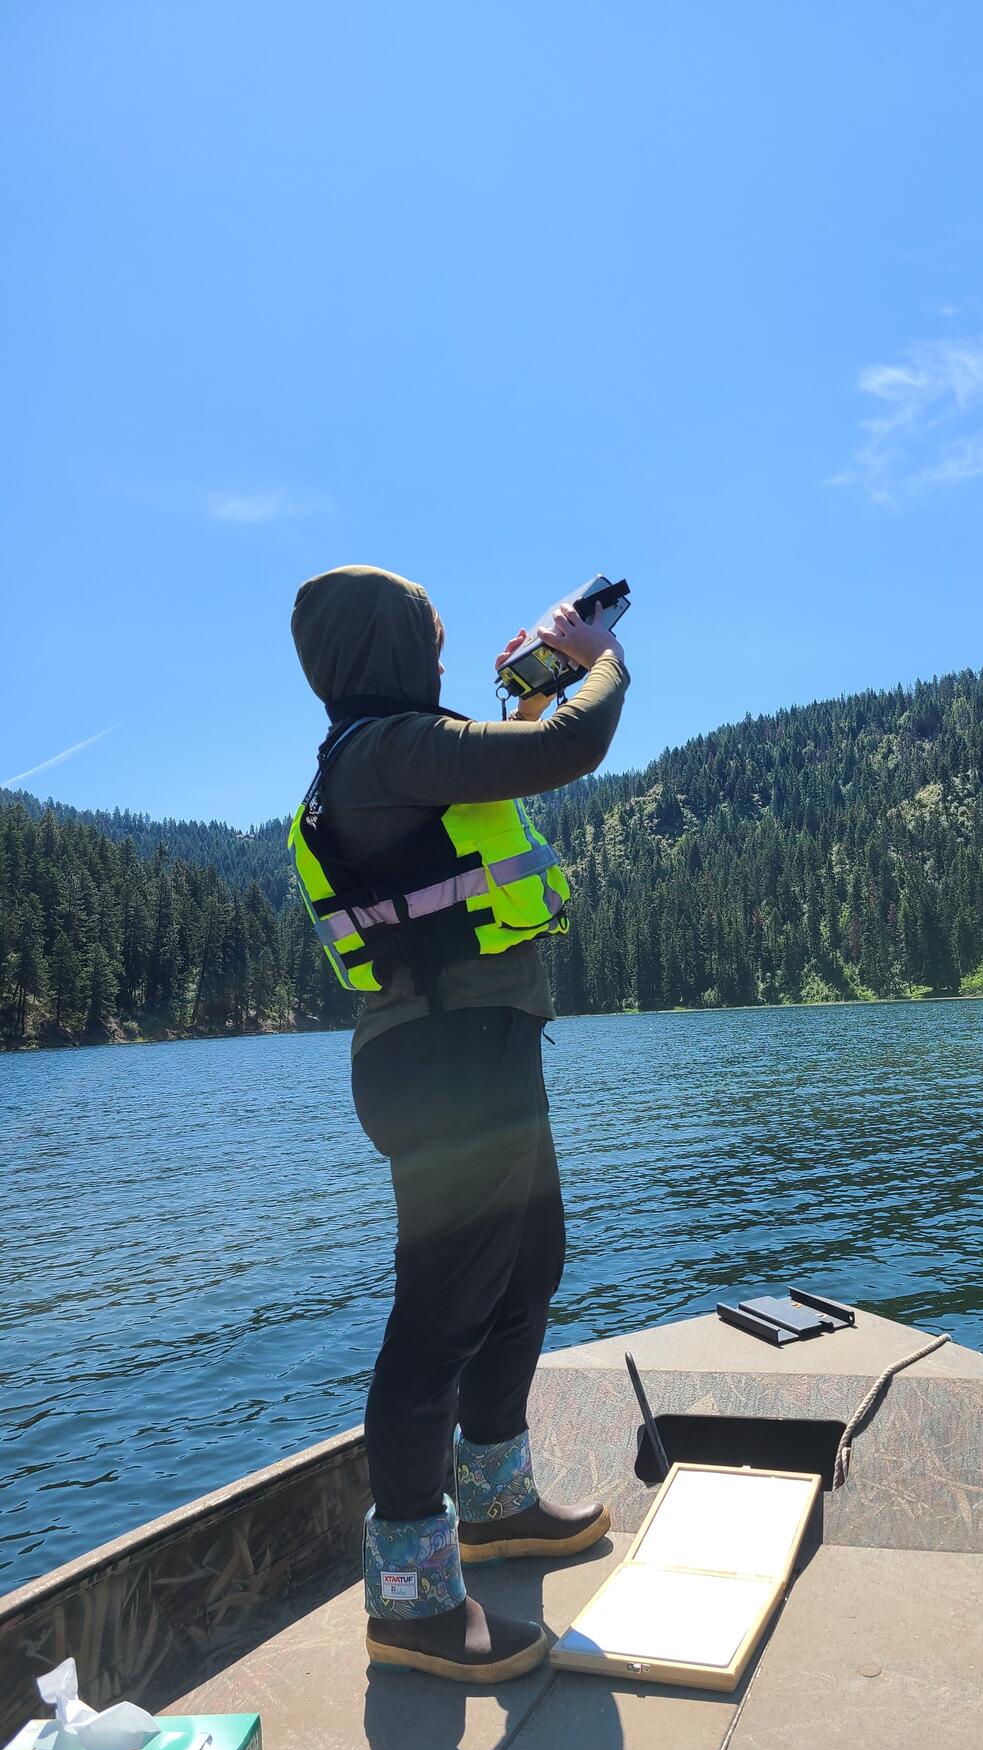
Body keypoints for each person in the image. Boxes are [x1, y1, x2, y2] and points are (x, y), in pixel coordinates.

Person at [289, 564, 630, 1683]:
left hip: (476, 1048)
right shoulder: (383, 750)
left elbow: (483, 785)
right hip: (445, 1064)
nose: (441, 659)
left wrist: (524, 695)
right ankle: (412, 1597)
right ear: (385, 648)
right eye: (428, 641)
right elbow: (566, 749)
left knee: (527, 1267)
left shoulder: (390, 754)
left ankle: (492, 1502)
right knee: (440, 1316)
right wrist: (600, 664)